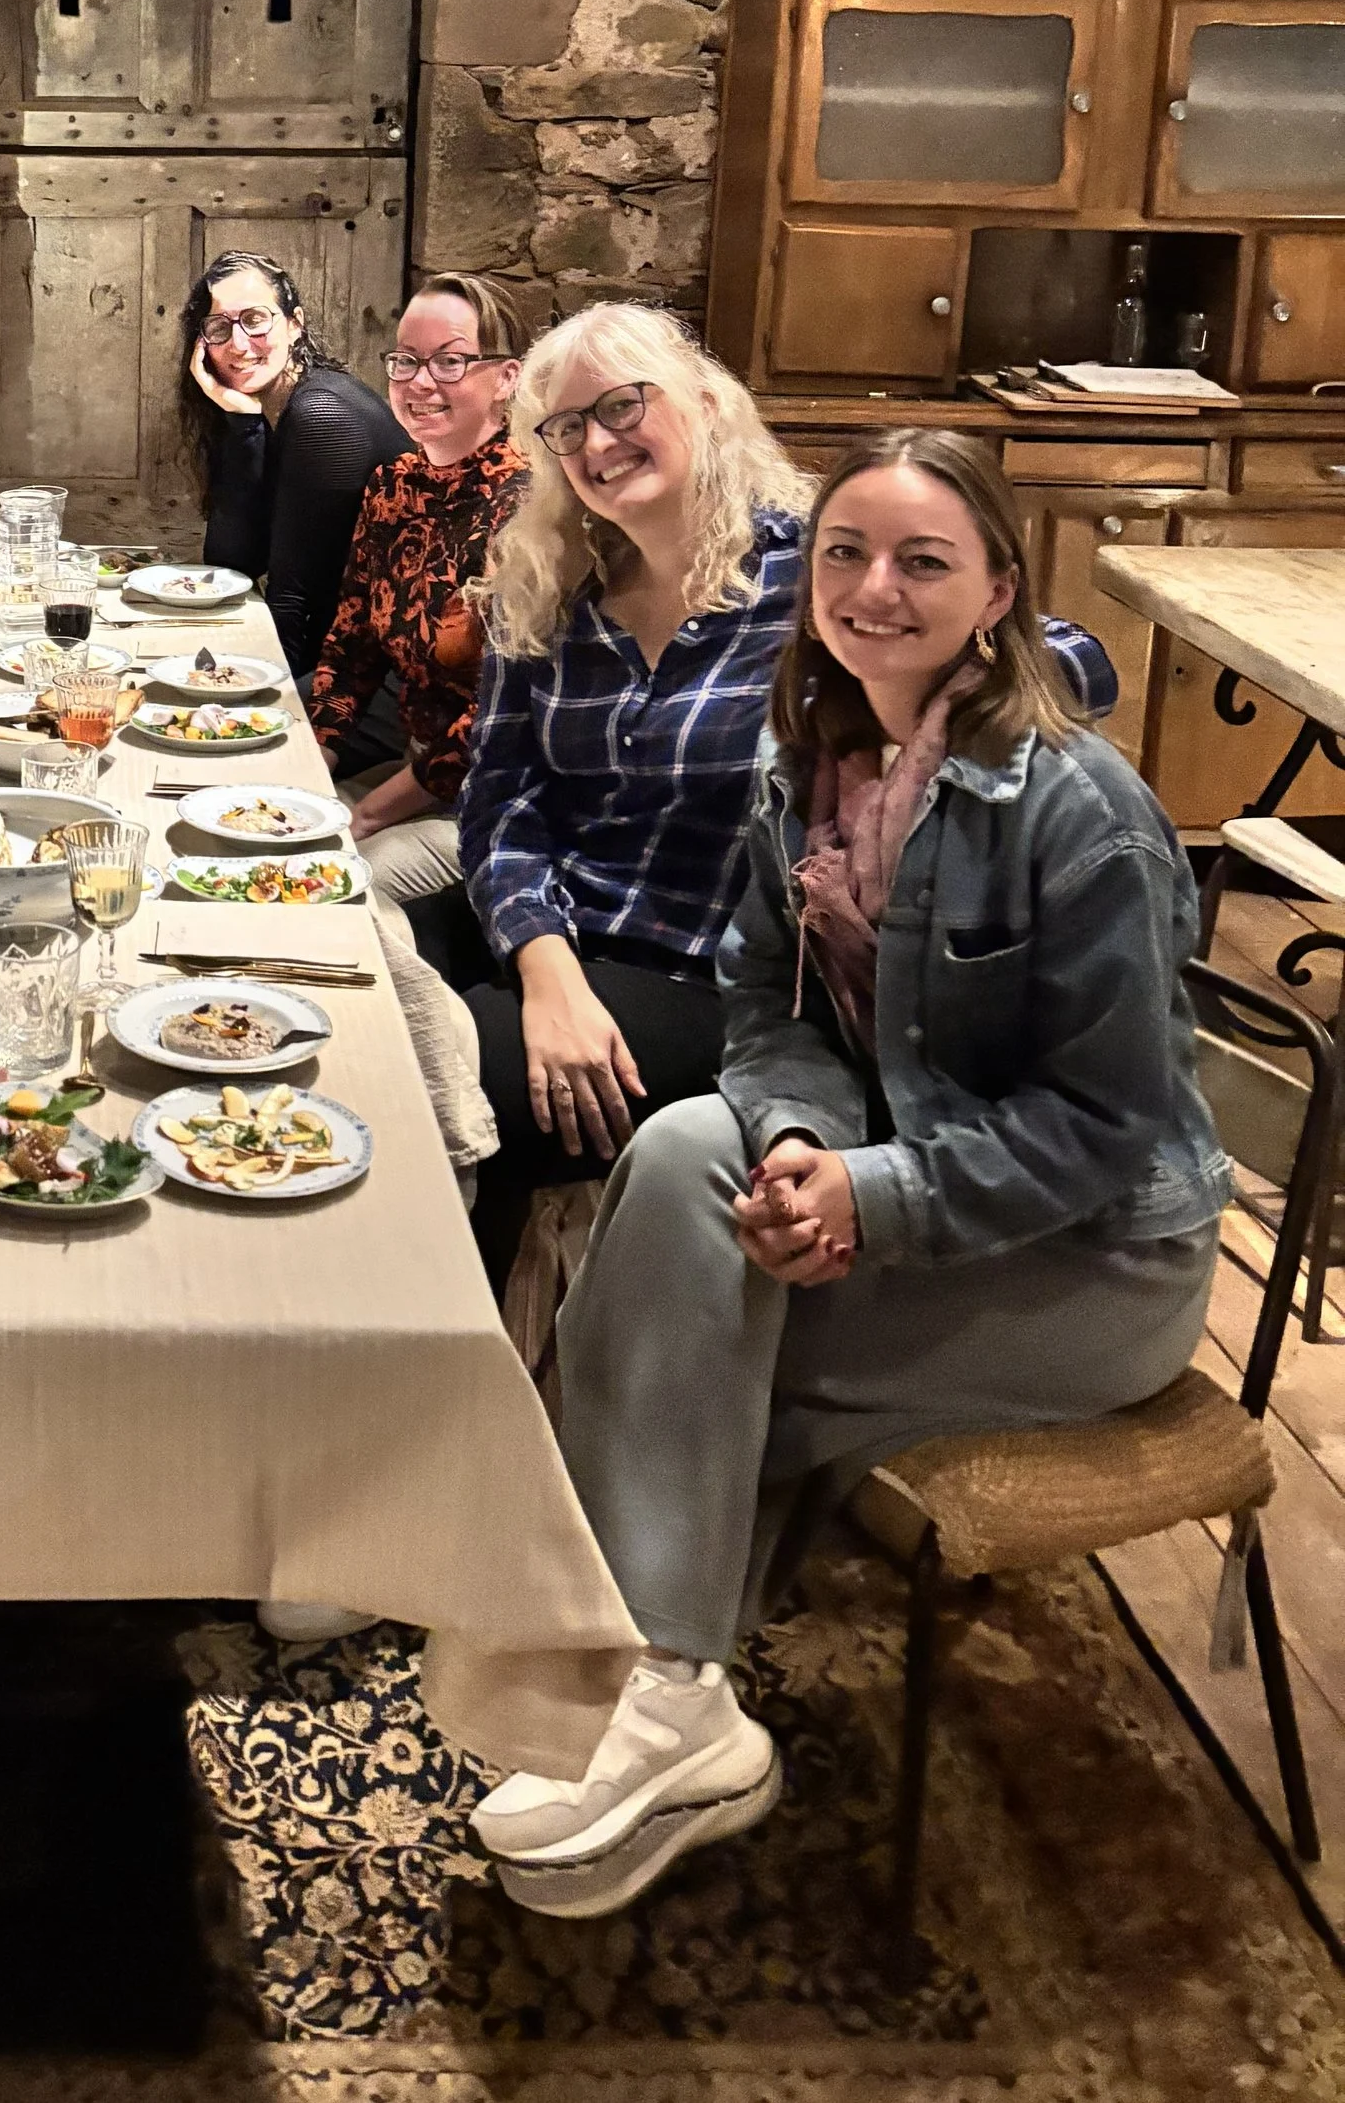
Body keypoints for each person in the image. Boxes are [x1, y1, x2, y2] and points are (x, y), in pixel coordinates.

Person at [473, 431, 1225, 1917]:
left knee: (679, 1328)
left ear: (1002, 589)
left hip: (1093, 1264)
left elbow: (1113, 1127)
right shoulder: (806, 754)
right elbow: (771, 1009)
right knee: (691, 1142)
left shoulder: (1079, 811)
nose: (875, 589)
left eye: (924, 561)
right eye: (843, 555)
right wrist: (808, 1141)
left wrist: (876, 1198)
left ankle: (661, 1687)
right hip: (904, 1172)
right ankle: (673, 1685)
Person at [453, 304, 1114, 1293]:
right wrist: (545, 972)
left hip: (712, 975)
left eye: (622, 405)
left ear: (707, 404)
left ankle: (460, 1377)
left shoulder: (820, 573)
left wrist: (909, 712)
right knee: (346, 1006)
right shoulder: (556, 591)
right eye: (565, 427)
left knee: (455, 1092)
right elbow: (501, 802)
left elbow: (1067, 657)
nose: (596, 442)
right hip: (561, 936)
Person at [309, 270, 533, 907]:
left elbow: (495, 719)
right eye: (405, 360)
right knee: (265, 830)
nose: (419, 382)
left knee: (342, 887)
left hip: (494, 797)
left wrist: (370, 814)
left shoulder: (530, 508)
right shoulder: (393, 487)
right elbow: (351, 643)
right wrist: (319, 756)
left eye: (451, 361)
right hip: (415, 769)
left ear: (507, 377)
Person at [181, 249, 408, 683]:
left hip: (382, 679)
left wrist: (265, 703)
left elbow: (295, 600)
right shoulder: (270, 409)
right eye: (219, 327)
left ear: (294, 324)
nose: (238, 344)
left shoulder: (322, 412)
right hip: (343, 659)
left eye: (255, 320)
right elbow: (234, 564)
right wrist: (242, 424)